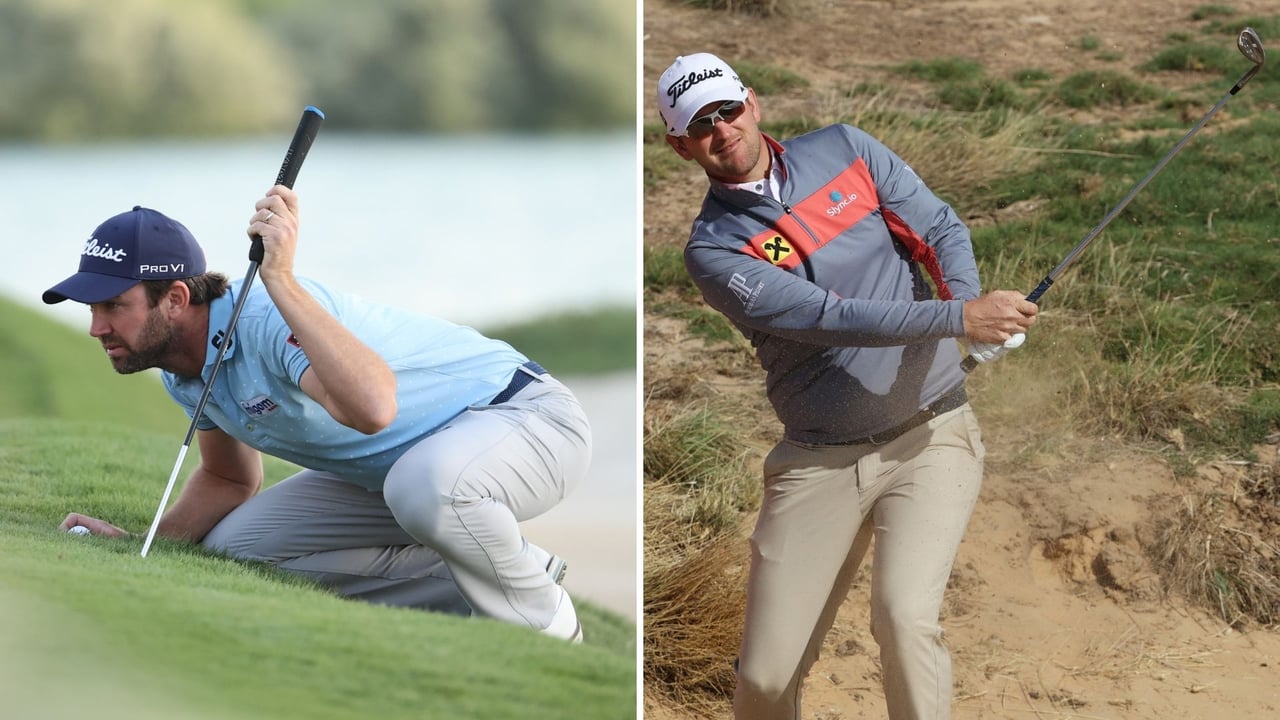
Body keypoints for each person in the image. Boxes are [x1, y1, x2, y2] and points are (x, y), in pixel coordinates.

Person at [656, 53, 1039, 719]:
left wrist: (969, 308)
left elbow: (940, 227)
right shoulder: (713, 250)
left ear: (754, 101)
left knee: (903, 617)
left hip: (932, 435)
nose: (723, 130)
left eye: (729, 110)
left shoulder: (846, 149)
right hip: (820, 459)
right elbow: (825, 316)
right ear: (680, 145)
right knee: (770, 676)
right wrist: (957, 317)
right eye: (701, 124)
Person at [46, 187, 590, 642]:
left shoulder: (263, 318)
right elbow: (228, 477)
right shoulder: (181, 371)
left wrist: (281, 277)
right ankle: (505, 571)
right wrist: (152, 544)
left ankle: (548, 630)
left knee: (423, 487)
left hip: (526, 419)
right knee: (237, 550)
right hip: (408, 473)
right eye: (93, 309)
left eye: (113, 306)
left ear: (175, 298)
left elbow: (374, 409)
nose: (96, 328)